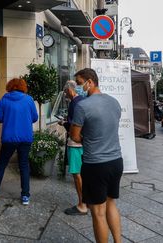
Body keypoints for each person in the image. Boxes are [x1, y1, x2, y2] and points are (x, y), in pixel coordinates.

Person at [70, 68, 123, 243]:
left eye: (79, 83)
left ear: (90, 82)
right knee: (111, 204)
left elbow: (75, 136)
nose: (78, 87)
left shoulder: (82, 106)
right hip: (116, 161)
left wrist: (86, 137)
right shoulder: (114, 102)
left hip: (95, 164)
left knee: (98, 212)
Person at [0, 78, 38, 205]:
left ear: (10, 86)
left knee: (2, 164)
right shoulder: (28, 99)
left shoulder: (4, 99)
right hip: (25, 137)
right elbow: (35, 117)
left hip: (9, 137)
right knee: (24, 165)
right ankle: (25, 196)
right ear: (23, 87)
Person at [59, 80, 88, 216]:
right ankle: (87, 200)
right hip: (85, 143)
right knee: (83, 173)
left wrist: (64, 123)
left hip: (76, 143)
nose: (65, 95)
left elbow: (73, 125)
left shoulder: (74, 104)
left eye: (65, 92)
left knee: (77, 174)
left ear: (69, 90)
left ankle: (82, 204)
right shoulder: (83, 100)